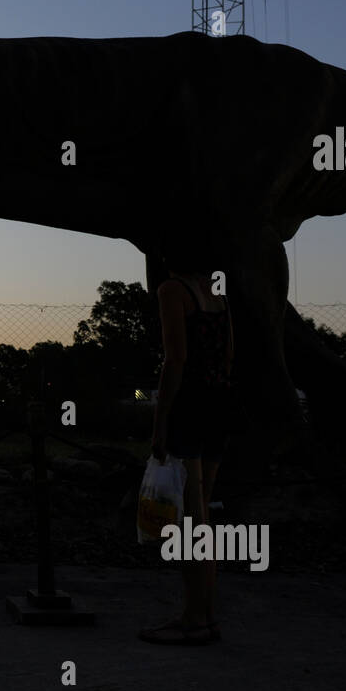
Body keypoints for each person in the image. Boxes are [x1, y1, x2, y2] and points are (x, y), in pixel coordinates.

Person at [142, 243, 233, 646]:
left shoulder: (171, 291)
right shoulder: (218, 294)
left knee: (190, 523)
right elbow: (229, 357)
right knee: (203, 522)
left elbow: (174, 359)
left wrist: (160, 423)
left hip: (189, 409)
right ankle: (206, 617)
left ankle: (193, 620)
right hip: (218, 406)